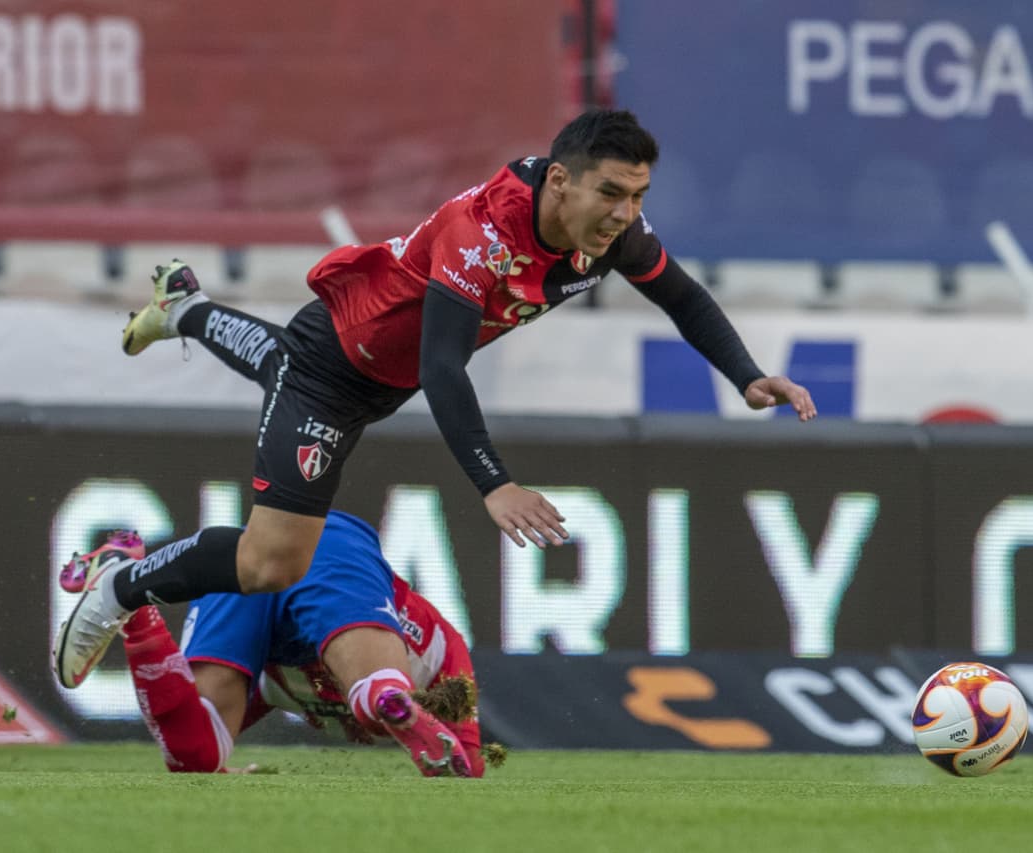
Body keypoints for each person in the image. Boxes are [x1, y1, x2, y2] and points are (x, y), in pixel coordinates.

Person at [54, 108, 818, 690]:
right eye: (612, 194)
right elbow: (443, 368)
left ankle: (185, 308)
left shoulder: (613, 233)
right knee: (269, 563)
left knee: (270, 363)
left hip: (374, 377)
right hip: (333, 369)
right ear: (560, 180)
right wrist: (495, 481)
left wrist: (745, 373)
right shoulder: (480, 233)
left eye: (638, 196)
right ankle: (117, 587)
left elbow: (681, 297)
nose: (625, 215)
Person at [60, 512, 489, 777]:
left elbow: (189, 731)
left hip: (253, 570)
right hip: (328, 548)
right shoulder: (444, 651)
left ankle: (133, 608)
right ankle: (386, 700)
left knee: (197, 753)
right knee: (376, 692)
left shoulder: (274, 688)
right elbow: (470, 762)